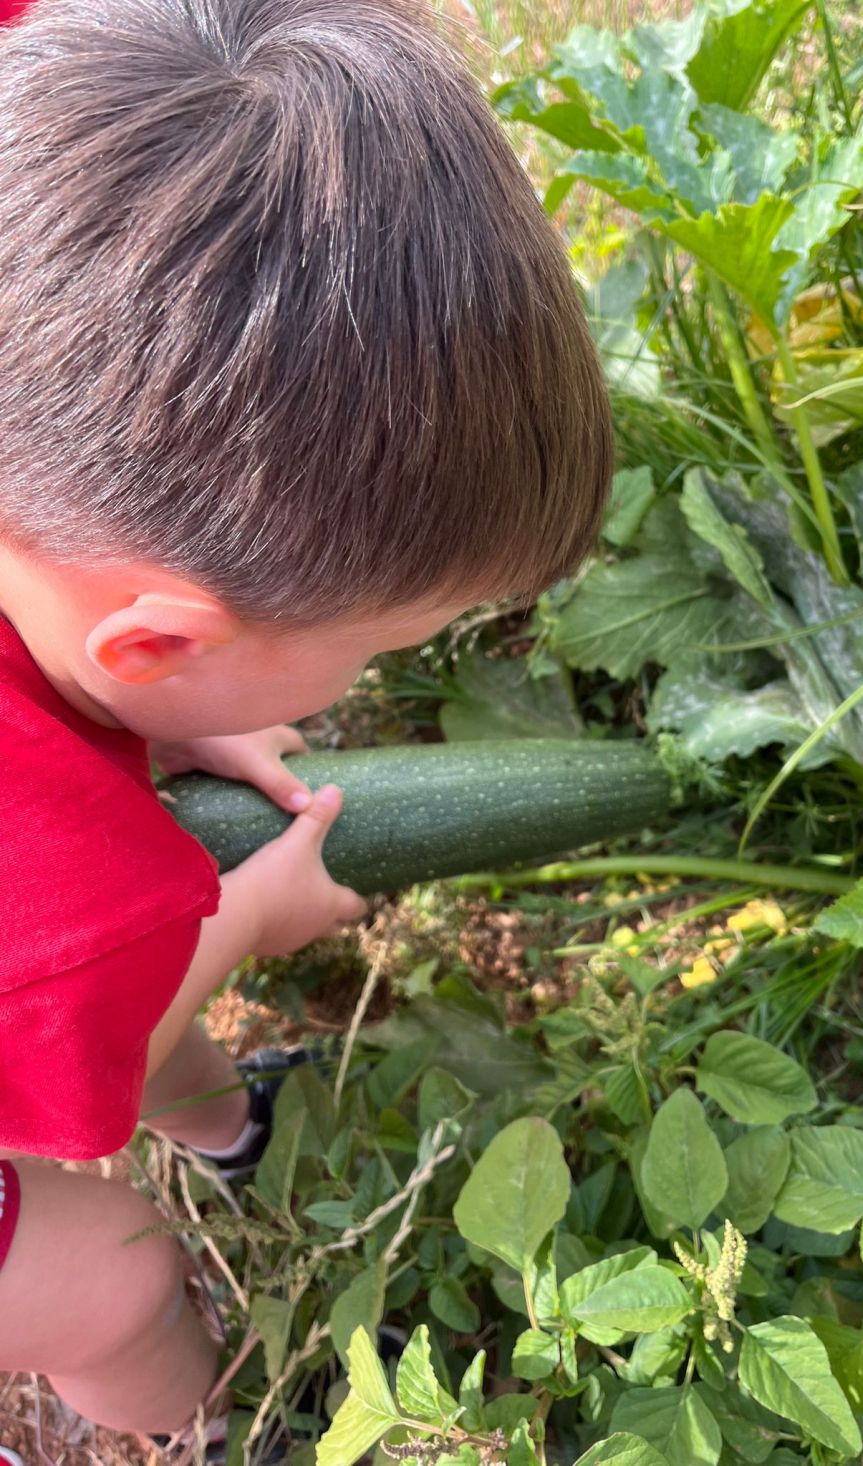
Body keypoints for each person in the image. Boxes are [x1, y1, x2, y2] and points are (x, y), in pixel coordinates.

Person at [0, 0, 612, 1442]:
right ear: (153, 640)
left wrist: (149, 716)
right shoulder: (75, 908)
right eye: (373, 654)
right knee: (111, 1270)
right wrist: (246, 923)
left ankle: (225, 1123)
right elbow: (65, 1047)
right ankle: (208, 1421)